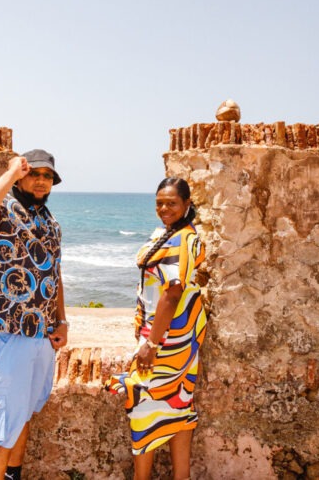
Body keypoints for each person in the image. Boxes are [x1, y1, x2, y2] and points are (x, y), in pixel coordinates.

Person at [0, 149, 68, 480]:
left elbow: (54, 274)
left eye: (47, 176)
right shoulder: (2, 209)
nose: (41, 181)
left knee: (22, 415)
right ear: (21, 177)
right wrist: (9, 173)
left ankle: (13, 475)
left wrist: (61, 320)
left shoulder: (49, 222)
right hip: (5, 334)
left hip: (39, 336)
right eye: (33, 173)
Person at [106, 177, 207, 480]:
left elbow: (172, 293)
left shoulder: (183, 240)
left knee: (141, 403)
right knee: (179, 403)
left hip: (168, 339)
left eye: (172, 203)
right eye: (159, 203)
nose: (164, 208)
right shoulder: (170, 234)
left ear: (187, 204)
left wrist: (151, 343)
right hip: (174, 335)